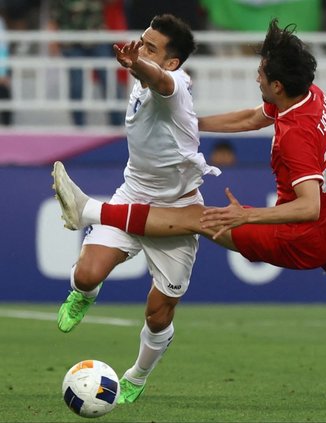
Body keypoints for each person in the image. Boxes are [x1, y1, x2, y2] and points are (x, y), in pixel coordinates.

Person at [52, 18, 326, 401]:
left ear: (277, 84)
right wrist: (189, 124)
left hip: (300, 237)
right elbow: (252, 119)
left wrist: (247, 216)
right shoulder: (308, 95)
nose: (256, 78)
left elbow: (307, 207)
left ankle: (91, 210)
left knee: (204, 219)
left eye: (260, 74)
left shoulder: (294, 134)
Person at [54, 14, 220, 404]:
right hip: (132, 196)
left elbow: (159, 80)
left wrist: (138, 64)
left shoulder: (173, 84)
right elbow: (149, 78)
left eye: (151, 48)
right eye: (141, 42)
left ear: (172, 62)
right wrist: (139, 65)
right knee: (86, 273)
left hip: (177, 212)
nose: (141, 50)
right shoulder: (143, 81)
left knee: (158, 314)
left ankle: (137, 375)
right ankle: (83, 294)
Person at [48, 0, 125, 126]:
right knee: (77, 85)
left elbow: (112, 3)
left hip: (97, 37)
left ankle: (117, 124)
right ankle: (79, 126)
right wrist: (53, 40)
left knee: (109, 80)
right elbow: (53, 15)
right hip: (72, 41)